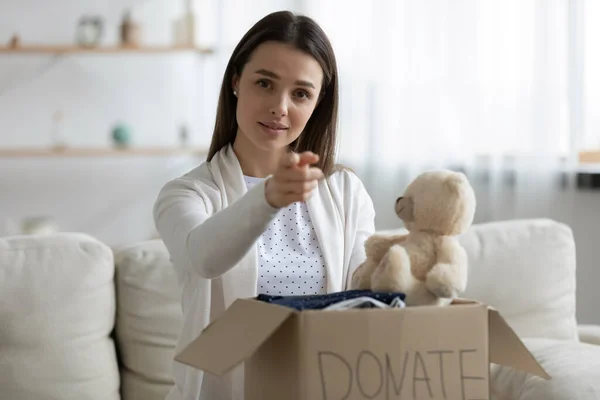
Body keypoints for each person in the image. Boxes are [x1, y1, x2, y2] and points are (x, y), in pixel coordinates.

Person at [153, 10, 375, 400]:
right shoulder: (187, 194)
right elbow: (203, 257)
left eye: (301, 93)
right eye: (265, 84)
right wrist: (270, 197)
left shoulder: (345, 191)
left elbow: (368, 295)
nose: (281, 107)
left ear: (318, 102)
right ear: (237, 81)